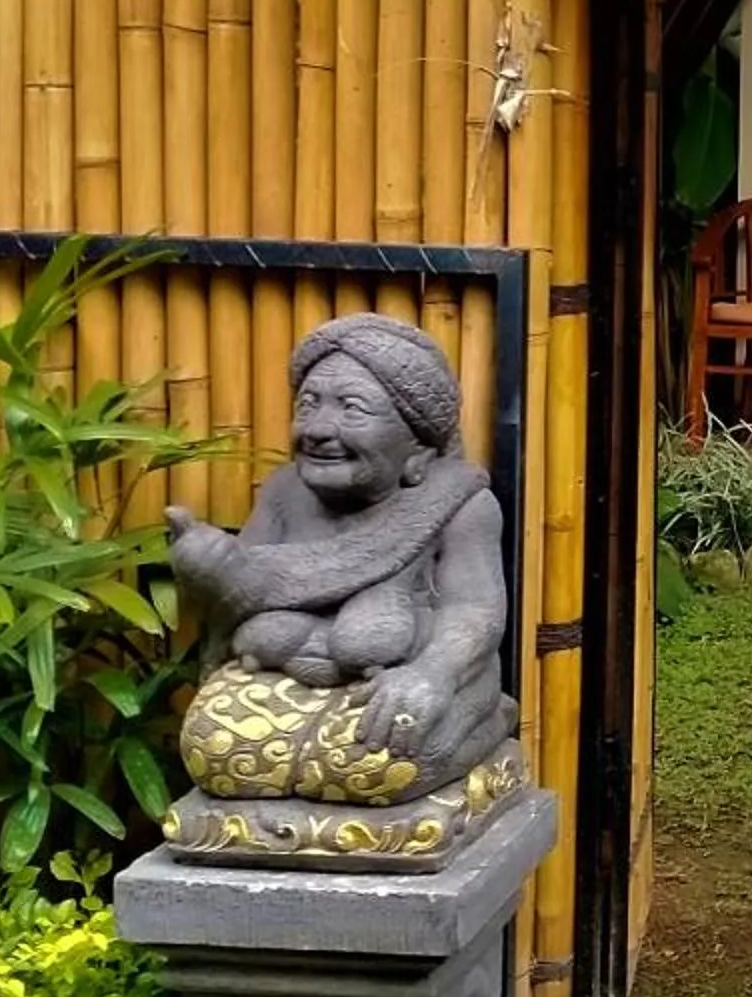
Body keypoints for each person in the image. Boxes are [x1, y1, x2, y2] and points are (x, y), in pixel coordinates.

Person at [168, 316, 512, 798]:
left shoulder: (460, 503)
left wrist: (431, 675)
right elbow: (245, 590)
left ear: (418, 445)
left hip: (411, 682)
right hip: (285, 684)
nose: (318, 429)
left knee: (378, 762)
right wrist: (214, 568)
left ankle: (488, 719)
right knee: (213, 749)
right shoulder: (285, 492)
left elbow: (474, 609)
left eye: (352, 409)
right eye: (308, 404)